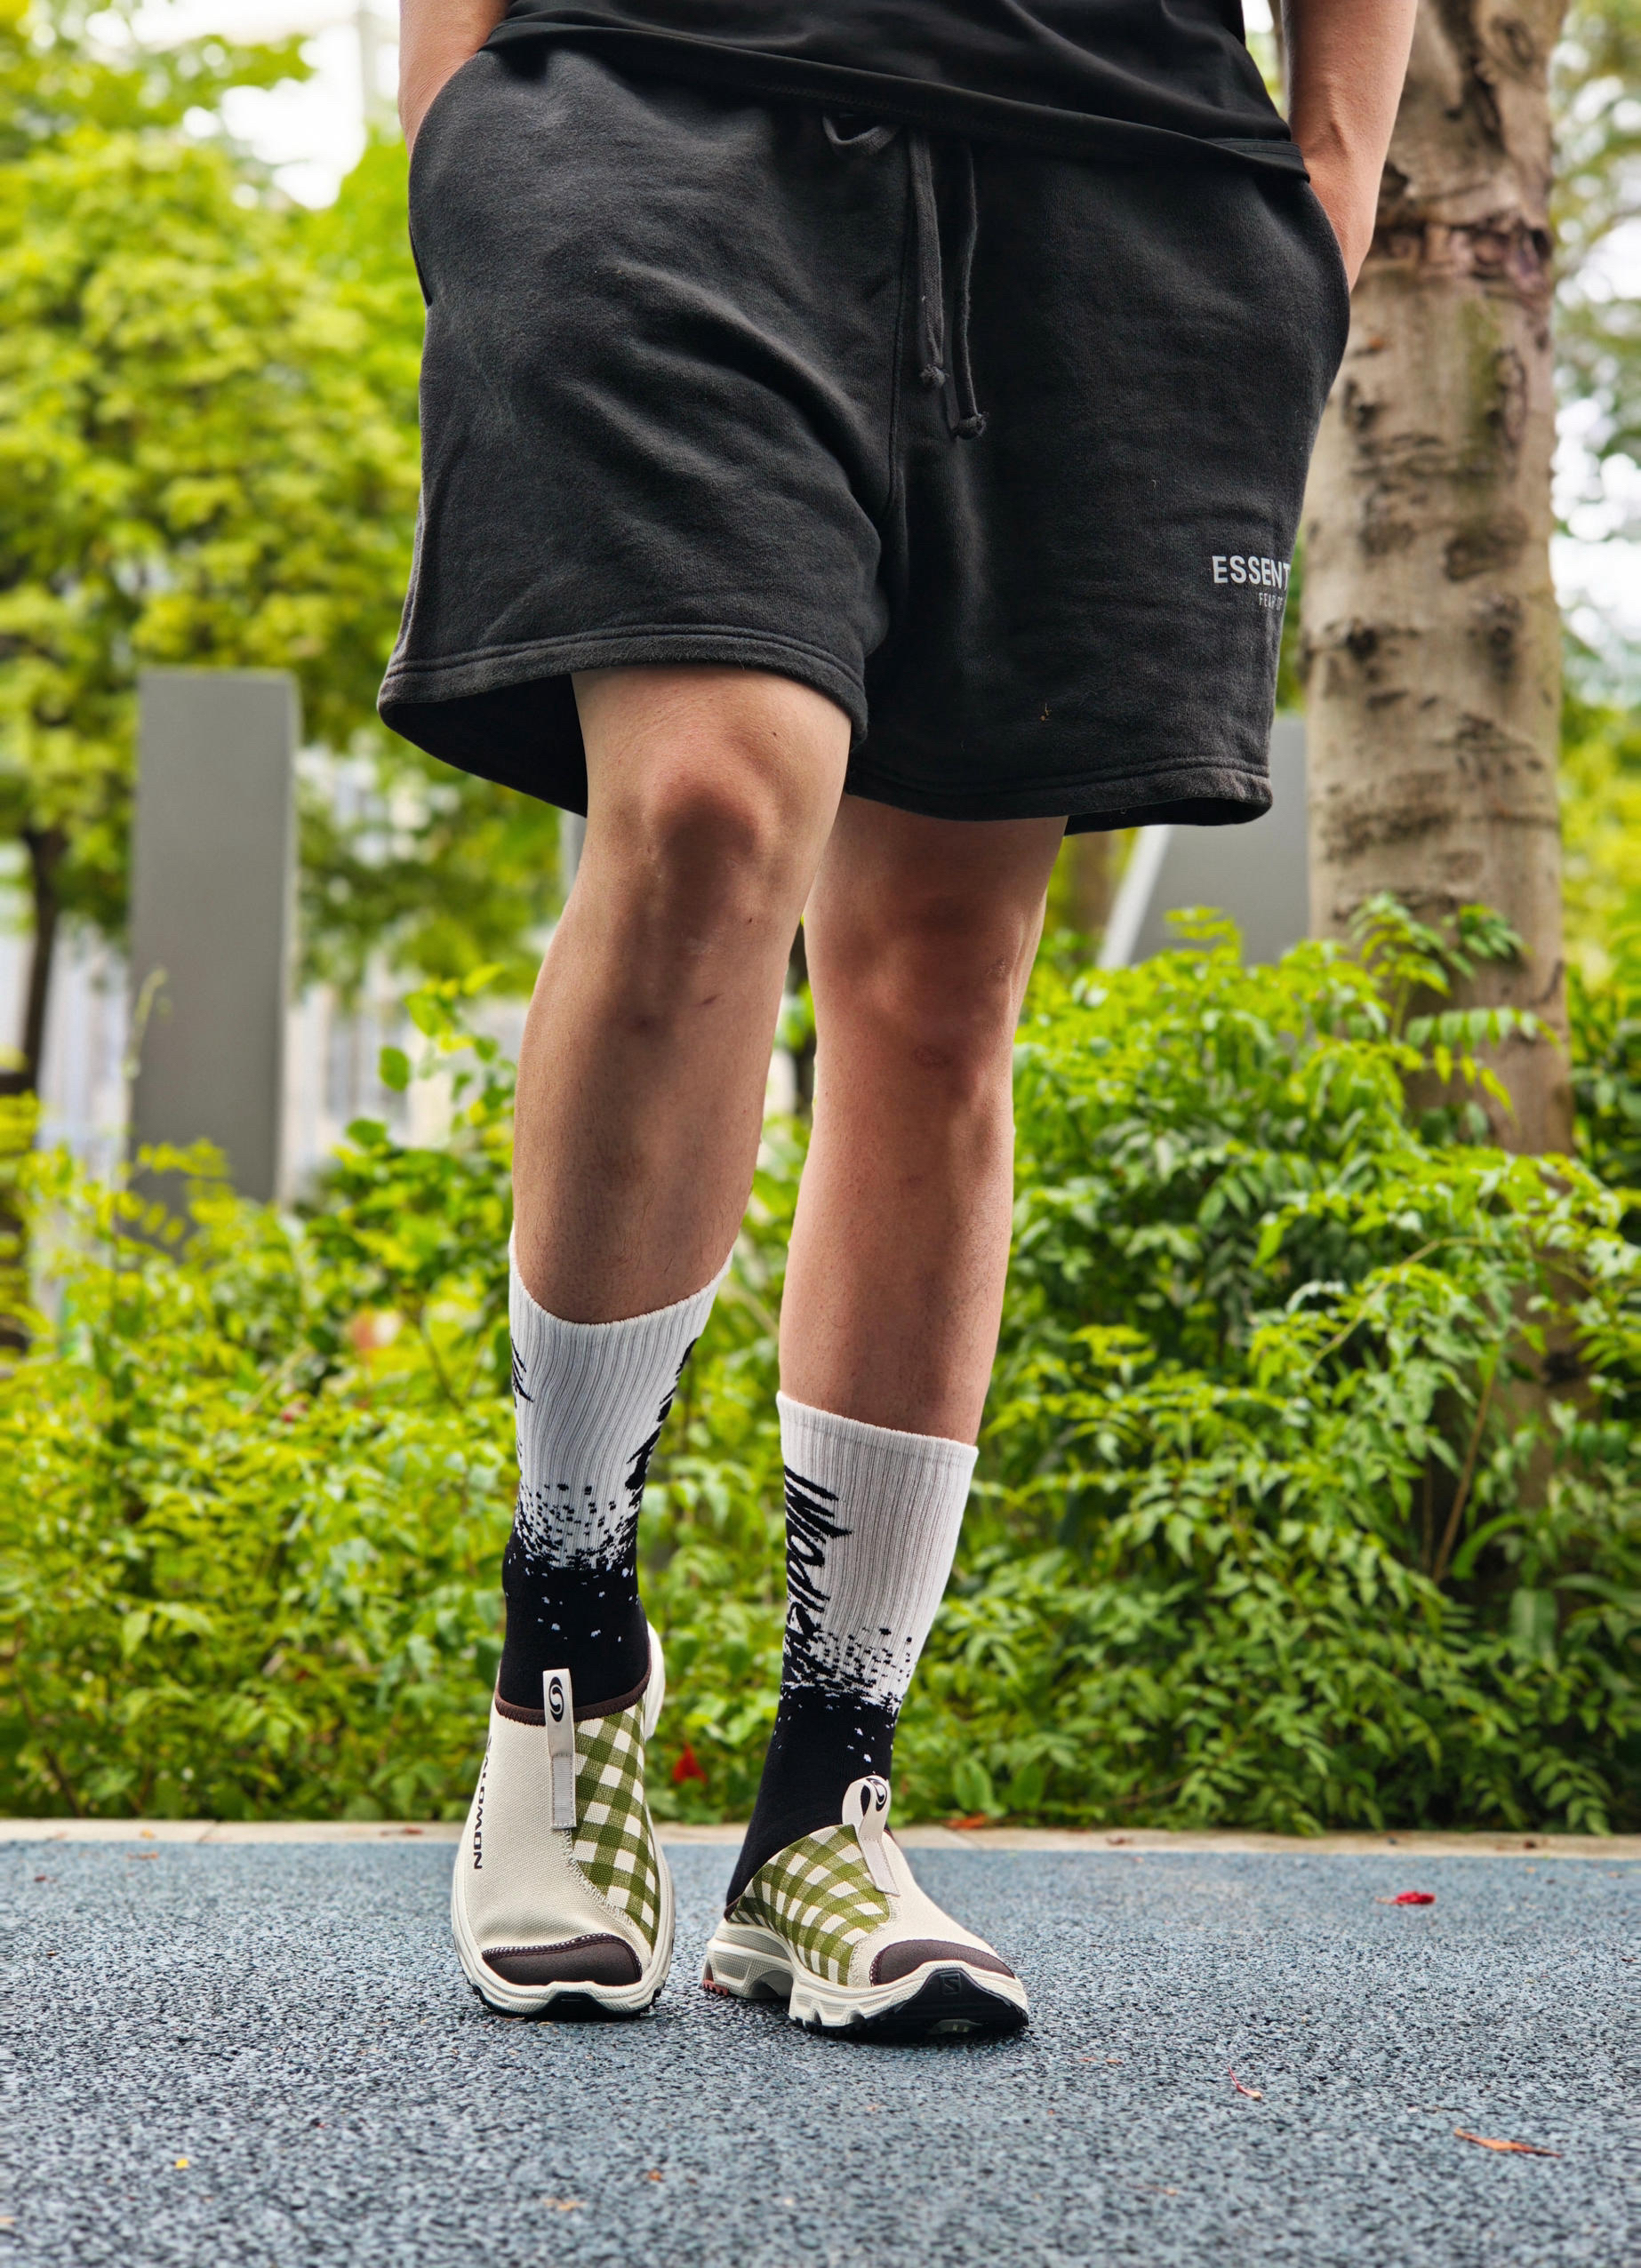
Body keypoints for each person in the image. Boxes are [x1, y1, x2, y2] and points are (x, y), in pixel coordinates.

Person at [384, 0, 1415, 2037]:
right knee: (703, 806)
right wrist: (455, 128)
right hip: (655, 103)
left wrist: (1329, 173)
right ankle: (567, 1639)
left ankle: (822, 1809)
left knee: (941, 979)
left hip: (1113, 161)